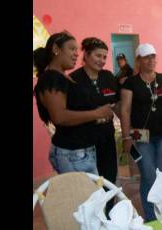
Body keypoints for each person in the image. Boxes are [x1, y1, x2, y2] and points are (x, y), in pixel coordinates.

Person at [33, 31, 114, 175]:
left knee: (94, 195)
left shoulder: (60, 76)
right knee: (86, 197)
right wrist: (97, 113)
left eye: (77, 50)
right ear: (56, 50)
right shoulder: (52, 78)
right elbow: (59, 116)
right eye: (71, 49)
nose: (77, 54)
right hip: (72, 152)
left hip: (82, 150)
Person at [119, 43, 162, 222]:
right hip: (141, 136)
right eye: (146, 57)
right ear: (138, 60)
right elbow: (124, 110)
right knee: (148, 174)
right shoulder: (131, 83)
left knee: (160, 174)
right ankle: (150, 217)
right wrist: (126, 136)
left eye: (153, 56)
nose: (151, 60)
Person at [69, 37, 120, 213]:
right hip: (84, 142)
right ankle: (91, 217)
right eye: (98, 56)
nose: (102, 60)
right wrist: (94, 115)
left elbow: (117, 105)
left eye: (105, 57)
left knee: (109, 177)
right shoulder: (73, 80)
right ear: (87, 55)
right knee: (89, 182)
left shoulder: (108, 77)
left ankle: (108, 214)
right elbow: (68, 114)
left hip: (106, 137)